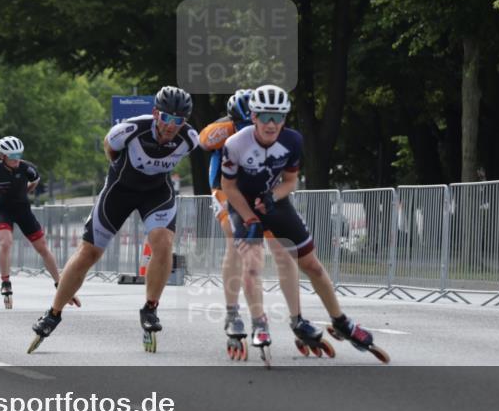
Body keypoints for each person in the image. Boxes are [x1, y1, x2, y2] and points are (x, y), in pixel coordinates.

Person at [220, 84, 390, 366]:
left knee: (311, 264)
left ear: (285, 119)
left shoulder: (293, 141)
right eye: (264, 116)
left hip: (274, 202)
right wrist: (249, 216)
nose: (271, 124)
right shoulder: (235, 144)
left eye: (278, 117)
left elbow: (290, 181)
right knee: (251, 264)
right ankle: (259, 322)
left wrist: (272, 197)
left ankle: (341, 320)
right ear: (253, 117)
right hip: (243, 204)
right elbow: (228, 186)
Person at [28, 86, 199, 354]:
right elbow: (110, 148)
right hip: (120, 191)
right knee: (89, 253)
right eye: (166, 118)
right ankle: (53, 313)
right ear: (156, 114)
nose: (170, 126)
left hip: (156, 193)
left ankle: (150, 309)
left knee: (163, 243)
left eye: (178, 121)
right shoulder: (131, 129)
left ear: (184, 122)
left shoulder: (190, 139)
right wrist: (120, 171)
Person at [199, 89, 301, 361]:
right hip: (225, 190)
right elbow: (203, 140)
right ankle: (232, 312)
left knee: (280, 248)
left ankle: (297, 318)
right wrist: (222, 131)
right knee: (235, 242)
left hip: (258, 191)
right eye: (244, 124)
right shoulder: (227, 130)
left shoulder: (271, 131)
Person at [0, 136, 79, 309]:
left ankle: (59, 283)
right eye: (12, 157)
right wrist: (6, 195)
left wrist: (23, 192)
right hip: (4, 210)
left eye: (19, 155)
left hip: (23, 210)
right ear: (2, 156)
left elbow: (34, 182)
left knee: (42, 247)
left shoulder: (28, 169)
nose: (16, 160)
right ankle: (5, 282)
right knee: (6, 243)